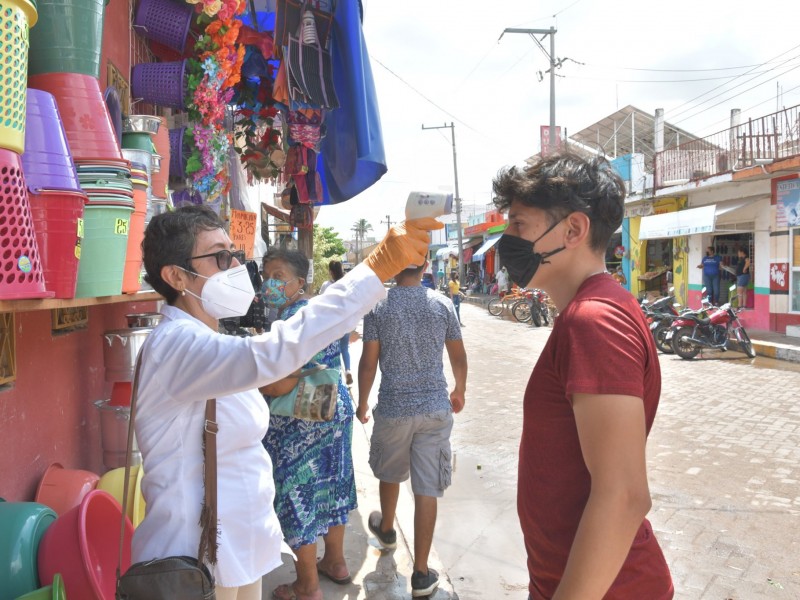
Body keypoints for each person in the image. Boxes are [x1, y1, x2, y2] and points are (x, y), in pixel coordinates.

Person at [132, 205, 441, 600]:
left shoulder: (211, 339)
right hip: (196, 561)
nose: (234, 267)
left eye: (234, 255)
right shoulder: (175, 345)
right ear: (176, 276)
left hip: (239, 547)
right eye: (219, 257)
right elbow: (276, 352)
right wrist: (374, 269)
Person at [492, 151, 673, 599]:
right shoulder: (590, 310)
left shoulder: (593, 321)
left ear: (573, 230)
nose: (506, 240)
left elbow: (625, 495)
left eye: (518, 225)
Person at [356, 262, 467, 599]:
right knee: (427, 487)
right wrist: (459, 389)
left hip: (394, 408)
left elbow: (368, 361)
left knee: (389, 473)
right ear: (425, 266)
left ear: (393, 265)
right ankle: (421, 574)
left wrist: (362, 403)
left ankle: (387, 530)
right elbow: (458, 355)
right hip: (434, 409)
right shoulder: (442, 304)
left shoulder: (379, 307)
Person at [261, 250, 357, 600]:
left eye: (279, 275)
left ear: (300, 282)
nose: (271, 282)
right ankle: (335, 562)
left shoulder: (289, 321)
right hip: (335, 409)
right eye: (267, 275)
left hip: (302, 418)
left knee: (298, 494)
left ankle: (307, 586)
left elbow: (276, 385)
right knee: (333, 485)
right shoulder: (319, 310)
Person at [319, 260, 354, 385]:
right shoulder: (347, 285)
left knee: (333, 350)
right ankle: (348, 370)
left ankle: (337, 373)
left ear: (330, 272)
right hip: (346, 323)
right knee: (344, 348)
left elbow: (320, 303)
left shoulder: (326, 285)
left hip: (331, 324)